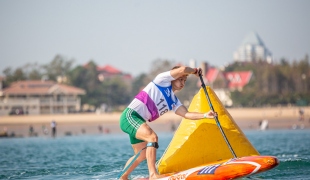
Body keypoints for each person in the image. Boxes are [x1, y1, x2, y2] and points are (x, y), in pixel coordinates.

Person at [119, 66, 217, 180]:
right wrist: (195, 71)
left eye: (184, 81)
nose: (183, 83)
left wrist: (205, 115)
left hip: (138, 120)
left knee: (141, 154)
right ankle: (153, 175)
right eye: (180, 79)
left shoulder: (173, 100)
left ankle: (123, 177)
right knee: (152, 137)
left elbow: (186, 114)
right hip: (130, 116)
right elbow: (183, 69)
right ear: (173, 77)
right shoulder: (162, 81)